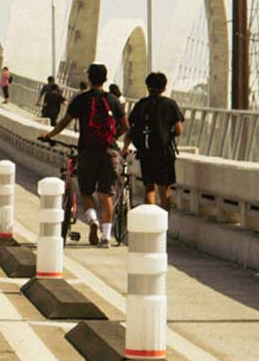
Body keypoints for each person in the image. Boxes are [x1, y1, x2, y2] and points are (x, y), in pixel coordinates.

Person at [42, 62, 130, 247]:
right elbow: (126, 126)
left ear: (89, 78)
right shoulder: (113, 100)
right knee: (106, 194)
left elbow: (64, 122)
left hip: (88, 151)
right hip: (109, 152)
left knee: (86, 192)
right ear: (105, 79)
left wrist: (49, 135)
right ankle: (106, 236)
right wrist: (113, 138)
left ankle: (93, 221)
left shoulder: (81, 99)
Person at [127, 71, 184, 206]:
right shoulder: (170, 104)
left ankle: (150, 221)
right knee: (165, 189)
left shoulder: (141, 104)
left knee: (149, 187)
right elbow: (179, 130)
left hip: (145, 152)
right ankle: (164, 222)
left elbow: (131, 128)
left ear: (148, 86)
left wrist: (125, 147)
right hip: (164, 152)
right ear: (164, 87)